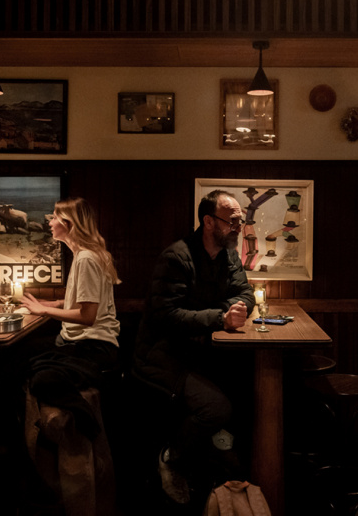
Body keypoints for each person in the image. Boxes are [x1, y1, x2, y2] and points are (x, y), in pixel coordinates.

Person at [133, 189, 255, 505]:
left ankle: (221, 456)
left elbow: (246, 294)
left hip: (198, 351)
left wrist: (230, 311)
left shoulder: (228, 255)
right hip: (160, 354)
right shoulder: (176, 257)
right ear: (208, 221)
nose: (238, 227)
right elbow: (166, 316)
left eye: (240, 221)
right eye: (232, 221)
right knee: (217, 408)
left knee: (249, 385)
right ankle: (171, 458)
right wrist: (220, 317)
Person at [20, 197, 120, 439]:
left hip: (93, 347)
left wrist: (44, 311)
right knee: (23, 357)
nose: (50, 222)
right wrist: (54, 303)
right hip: (82, 343)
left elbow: (88, 315)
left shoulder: (86, 258)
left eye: (54, 217)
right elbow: (88, 300)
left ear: (69, 224)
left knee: (39, 376)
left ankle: (84, 420)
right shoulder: (86, 254)